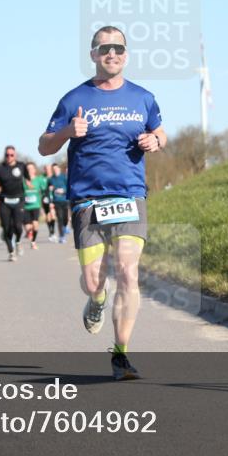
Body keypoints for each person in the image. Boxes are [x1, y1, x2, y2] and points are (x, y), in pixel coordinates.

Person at [38, 25, 167, 380]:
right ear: (93, 54)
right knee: (94, 281)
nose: (112, 54)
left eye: (119, 48)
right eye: (104, 48)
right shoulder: (74, 99)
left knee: (128, 271)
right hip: (87, 200)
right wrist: (67, 132)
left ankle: (121, 354)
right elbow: (44, 145)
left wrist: (155, 141)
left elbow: (160, 131)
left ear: (126, 54)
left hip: (130, 195)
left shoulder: (143, 97)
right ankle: (96, 300)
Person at [0, 146, 29, 262]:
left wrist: (29, 182)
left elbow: (28, 178)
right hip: (4, 200)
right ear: (4, 155)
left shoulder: (21, 166)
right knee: (7, 228)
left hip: (18, 199)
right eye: (7, 155)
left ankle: (18, 242)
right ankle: (11, 252)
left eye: (11, 155)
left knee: (17, 226)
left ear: (15, 155)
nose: (9, 157)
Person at [22, 162, 45, 250]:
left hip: (36, 206)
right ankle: (29, 233)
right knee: (28, 228)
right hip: (25, 207)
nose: (30, 170)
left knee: (35, 225)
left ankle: (33, 242)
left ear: (34, 170)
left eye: (31, 168)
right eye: (28, 169)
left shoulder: (39, 180)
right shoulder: (22, 181)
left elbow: (44, 191)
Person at [48, 162, 70, 244]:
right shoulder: (51, 179)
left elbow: (69, 187)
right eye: (54, 169)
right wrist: (51, 201)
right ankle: (62, 236)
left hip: (65, 200)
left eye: (56, 169)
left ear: (59, 169)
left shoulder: (64, 177)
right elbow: (49, 191)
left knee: (65, 218)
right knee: (59, 218)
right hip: (56, 201)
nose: (55, 170)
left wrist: (63, 191)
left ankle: (65, 227)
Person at [42, 164, 57, 241]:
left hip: (54, 198)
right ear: (44, 170)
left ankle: (53, 231)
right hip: (45, 199)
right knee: (48, 215)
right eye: (46, 169)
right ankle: (50, 232)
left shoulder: (54, 177)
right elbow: (41, 188)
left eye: (48, 169)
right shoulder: (42, 178)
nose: (47, 170)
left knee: (53, 215)